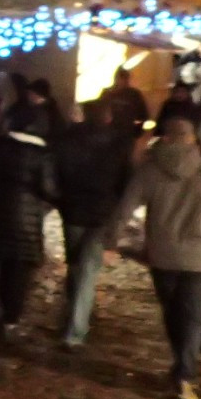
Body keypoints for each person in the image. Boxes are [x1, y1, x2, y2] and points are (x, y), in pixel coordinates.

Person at [102, 116, 201, 399]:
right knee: (193, 318)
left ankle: (182, 368)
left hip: (163, 256)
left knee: (172, 313)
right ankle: (184, 374)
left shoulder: (149, 172)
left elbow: (124, 209)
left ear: (165, 139)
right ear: (193, 141)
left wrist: (110, 243)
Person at [52, 98, 138, 348]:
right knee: (87, 270)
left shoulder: (68, 139)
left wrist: (61, 198)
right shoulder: (120, 144)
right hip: (102, 214)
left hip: (73, 211)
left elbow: (57, 172)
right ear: (108, 116)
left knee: (76, 265)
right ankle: (74, 331)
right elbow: (126, 181)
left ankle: (73, 316)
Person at [0, 91, 59, 338]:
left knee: (4, 266)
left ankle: (5, 310)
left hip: (1, 214)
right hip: (28, 220)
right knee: (20, 270)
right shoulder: (42, 155)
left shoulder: (1, 148)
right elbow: (49, 189)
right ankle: (12, 317)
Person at [101, 67, 150, 131]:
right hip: (111, 132)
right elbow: (100, 112)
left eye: (125, 78)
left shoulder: (134, 94)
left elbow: (142, 115)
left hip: (126, 131)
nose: (123, 81)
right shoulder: (107, 93)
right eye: (121, 78)